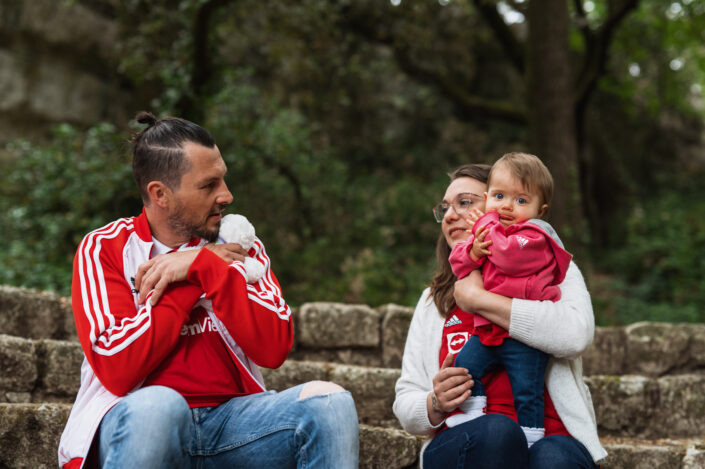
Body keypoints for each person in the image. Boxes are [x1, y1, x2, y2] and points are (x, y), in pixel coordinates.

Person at [57, 112, 359, 469]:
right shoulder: (105, 248)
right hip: (140, 421)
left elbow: (274, 347)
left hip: (234, 425)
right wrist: (192, 278)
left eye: (224, 181)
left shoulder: (239, 246)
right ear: (161, 194)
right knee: (160, 406)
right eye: (208, 185)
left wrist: (206, 267)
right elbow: (118, 368)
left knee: (330, 404)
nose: (226, 195)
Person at [393, 163, 606, 468]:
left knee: (554, 457)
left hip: (552, 437)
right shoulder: (433, 301)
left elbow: (575, 335)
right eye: (445, 208)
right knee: (498, 431)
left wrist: (479, 299)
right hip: (465, 440)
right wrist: (435, 402)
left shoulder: (555, 269)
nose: (451, 215)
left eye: (465, 202)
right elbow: (405, 401)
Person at [445, 153, 573, 448]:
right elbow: (460, 264)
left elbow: (509, 257)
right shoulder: (491, 233)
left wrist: (486, 225)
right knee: (465, 363)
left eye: (520, 201)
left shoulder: (535, 235)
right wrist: (474, 252)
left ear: (540, 210)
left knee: (526, 388)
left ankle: (531, 434)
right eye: (499, 196)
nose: (506, 206)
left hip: (524, 339)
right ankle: (473, 411)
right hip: (489, 332)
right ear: (489, 196)